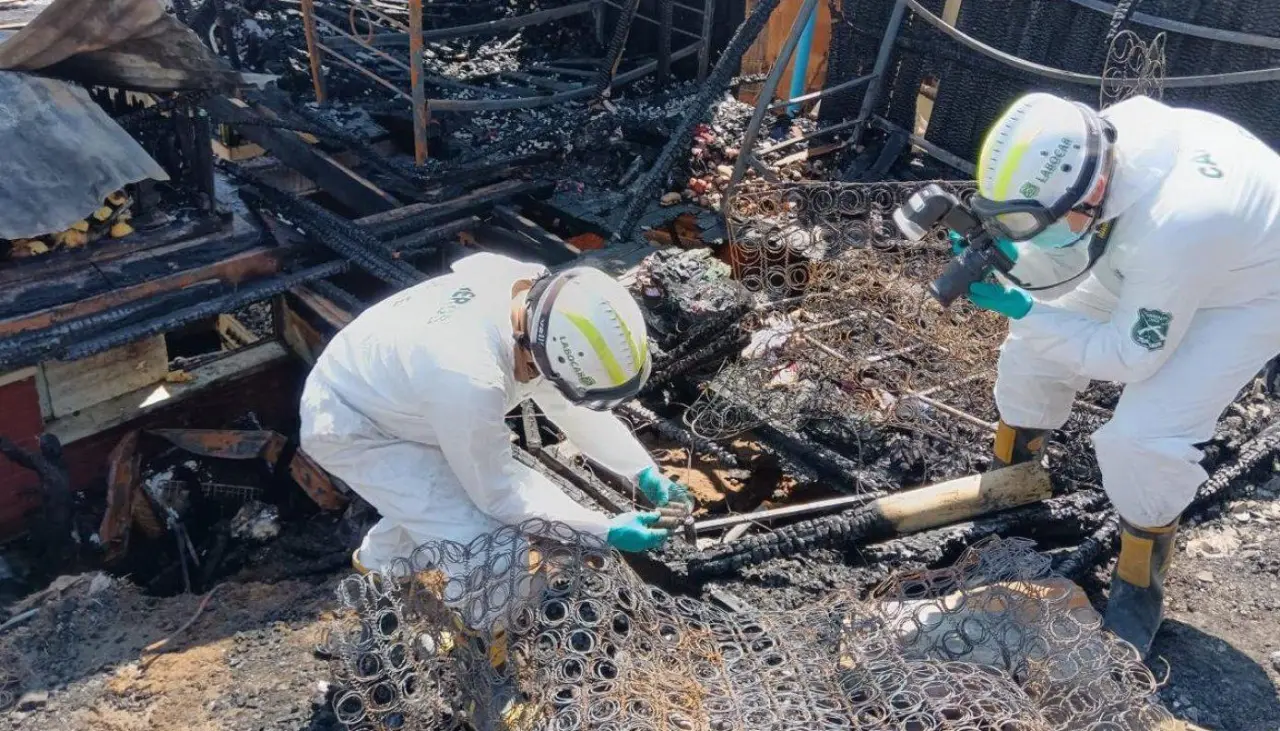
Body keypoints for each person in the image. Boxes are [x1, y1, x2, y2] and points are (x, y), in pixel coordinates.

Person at [962, 92, 1280, 657]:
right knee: (1033, 351)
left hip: (1248, 292)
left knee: (1143, 438)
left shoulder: (1178, 222)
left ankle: (1139, 575)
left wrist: (1025, 310)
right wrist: (1015, 273)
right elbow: (1060, 264)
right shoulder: (1101, 157)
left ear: (1093, 194)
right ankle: (1015, 474)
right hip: (1157, 255)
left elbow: (1132, 357)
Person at [299, 251, 687, 578]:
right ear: (542, 358)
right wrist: (604, 530)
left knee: (429, 502)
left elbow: (569, 406)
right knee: (491, 551)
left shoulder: (533, 302)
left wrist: (642, 471)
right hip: (355, 424)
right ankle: (476, 650)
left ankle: (379, 575)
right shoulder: (469, 378)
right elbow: (500, 495)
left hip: (398, 392)